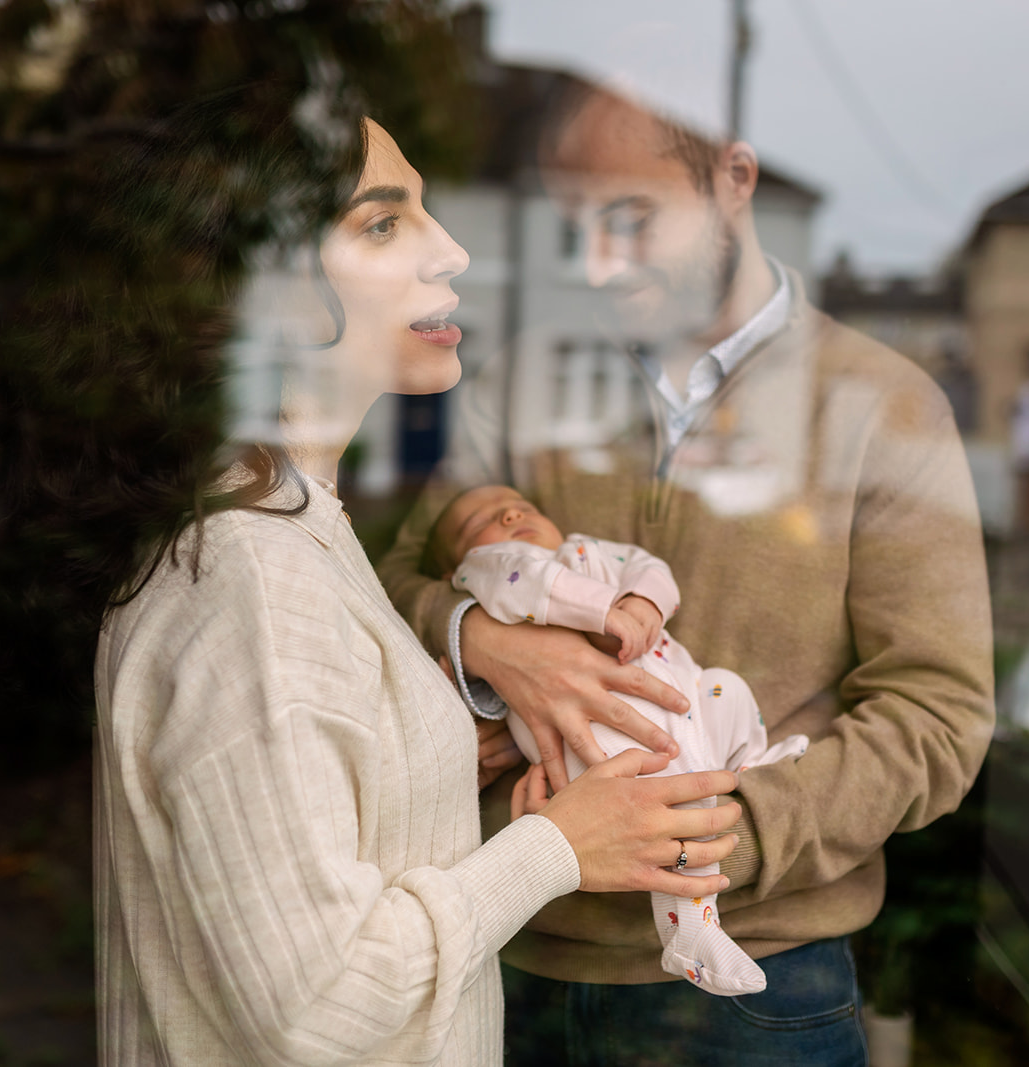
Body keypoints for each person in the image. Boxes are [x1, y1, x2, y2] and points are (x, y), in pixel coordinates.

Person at [79, 89, 742, 1067]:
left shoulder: (296, 526)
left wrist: (436, 748)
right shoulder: (251, 581)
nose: (451, 251)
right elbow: (320, 1008)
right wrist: (558, 845)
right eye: (384, 221)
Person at [377, 82, 995, 1065]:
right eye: (573, 227)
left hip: (759, 985)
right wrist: (480, 641)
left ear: (733, 181)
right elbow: (391, 590)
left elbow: (936, 717)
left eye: (630, 219)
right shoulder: (519, 381)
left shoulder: (886, 407)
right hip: (508, 951)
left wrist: (706, 839)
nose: (595, 264)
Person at [426, 483, 810, 996]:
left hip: (685, 698)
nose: (511, 512)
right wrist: (604, 610)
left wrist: (644, 602)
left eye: (523, 505)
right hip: (599, 741)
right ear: (460, 564)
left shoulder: (587, 550)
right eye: (483, 521)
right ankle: (691, 931)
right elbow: (531, 581)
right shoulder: (489, 577)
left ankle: (750, 764)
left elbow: (649, 568)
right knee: (667, 800)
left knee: (729, 690)